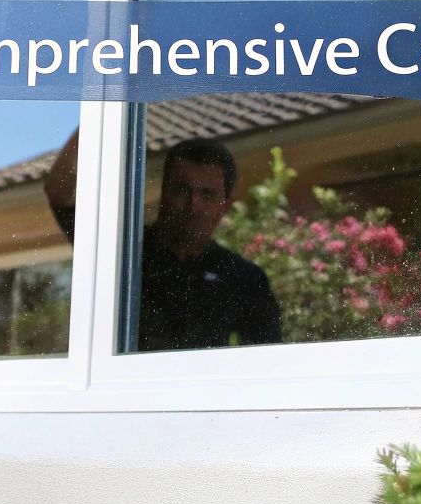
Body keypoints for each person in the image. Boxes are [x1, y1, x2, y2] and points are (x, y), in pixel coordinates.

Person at [44, 130, 280, 352]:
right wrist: (107, 95)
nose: (193, 205)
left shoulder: (242, 278)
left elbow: (266, 364)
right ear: (164, 193)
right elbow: (60, 192)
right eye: (181, 190)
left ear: (224, 207)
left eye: (207, 195)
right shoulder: (122, 251)